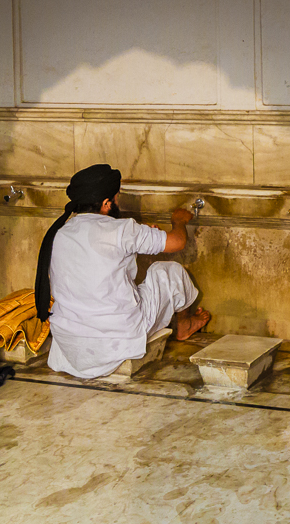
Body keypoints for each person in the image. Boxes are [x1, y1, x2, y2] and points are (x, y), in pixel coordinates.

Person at [35, 163, 209, 380]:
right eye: (117, 198)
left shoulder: (60, 233)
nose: (118, 202)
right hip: (115, 341)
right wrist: (178, 221)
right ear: (107, 203)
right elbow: (177, 242)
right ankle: (184, 324)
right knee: (168, 272)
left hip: (71, 346)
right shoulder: (123, 229)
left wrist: (140, 235)